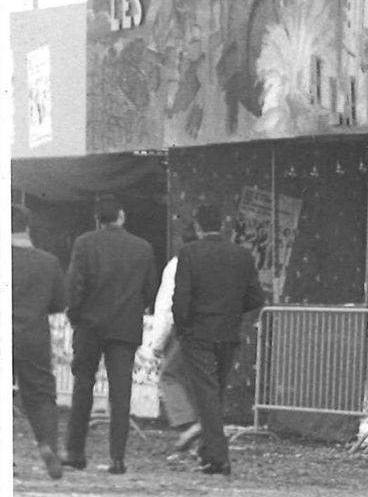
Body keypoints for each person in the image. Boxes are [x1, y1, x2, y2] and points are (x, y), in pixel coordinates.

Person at [64, 193, 158, 476]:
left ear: (97, 218)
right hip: (125, 328)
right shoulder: (142, 248)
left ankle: (76, 452)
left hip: (90, 326)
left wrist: (75, 316)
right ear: (121, 216)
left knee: (82, 386)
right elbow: (150, 290)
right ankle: (117, 458)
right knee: (121, 393)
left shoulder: (84, 243)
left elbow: (75, 287)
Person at [172, 203, 264, 477]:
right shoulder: (242, 255)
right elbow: (256, 298)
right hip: (227, 333)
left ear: (198, 226)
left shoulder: (189, 254)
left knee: (206, 396)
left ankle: (218, 457)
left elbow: (182, 298)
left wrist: (183, 327)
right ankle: (207, 452)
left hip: (198, 334)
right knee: (215, 395)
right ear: (222, 224)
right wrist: (232, 312)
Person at [11, 205, 67, 480]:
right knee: (41, 394)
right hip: (33, 336)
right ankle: (48, 444)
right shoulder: (48, 261)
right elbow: (59, 302)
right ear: (27, 228)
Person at [138, 222, 203, 458]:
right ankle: (201, 440)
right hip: (214, 329)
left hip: (183, 329)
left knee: (170, 376)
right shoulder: (215, 263)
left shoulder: (176, 265)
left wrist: (156, 341)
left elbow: (165, 306)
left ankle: (187, 425)